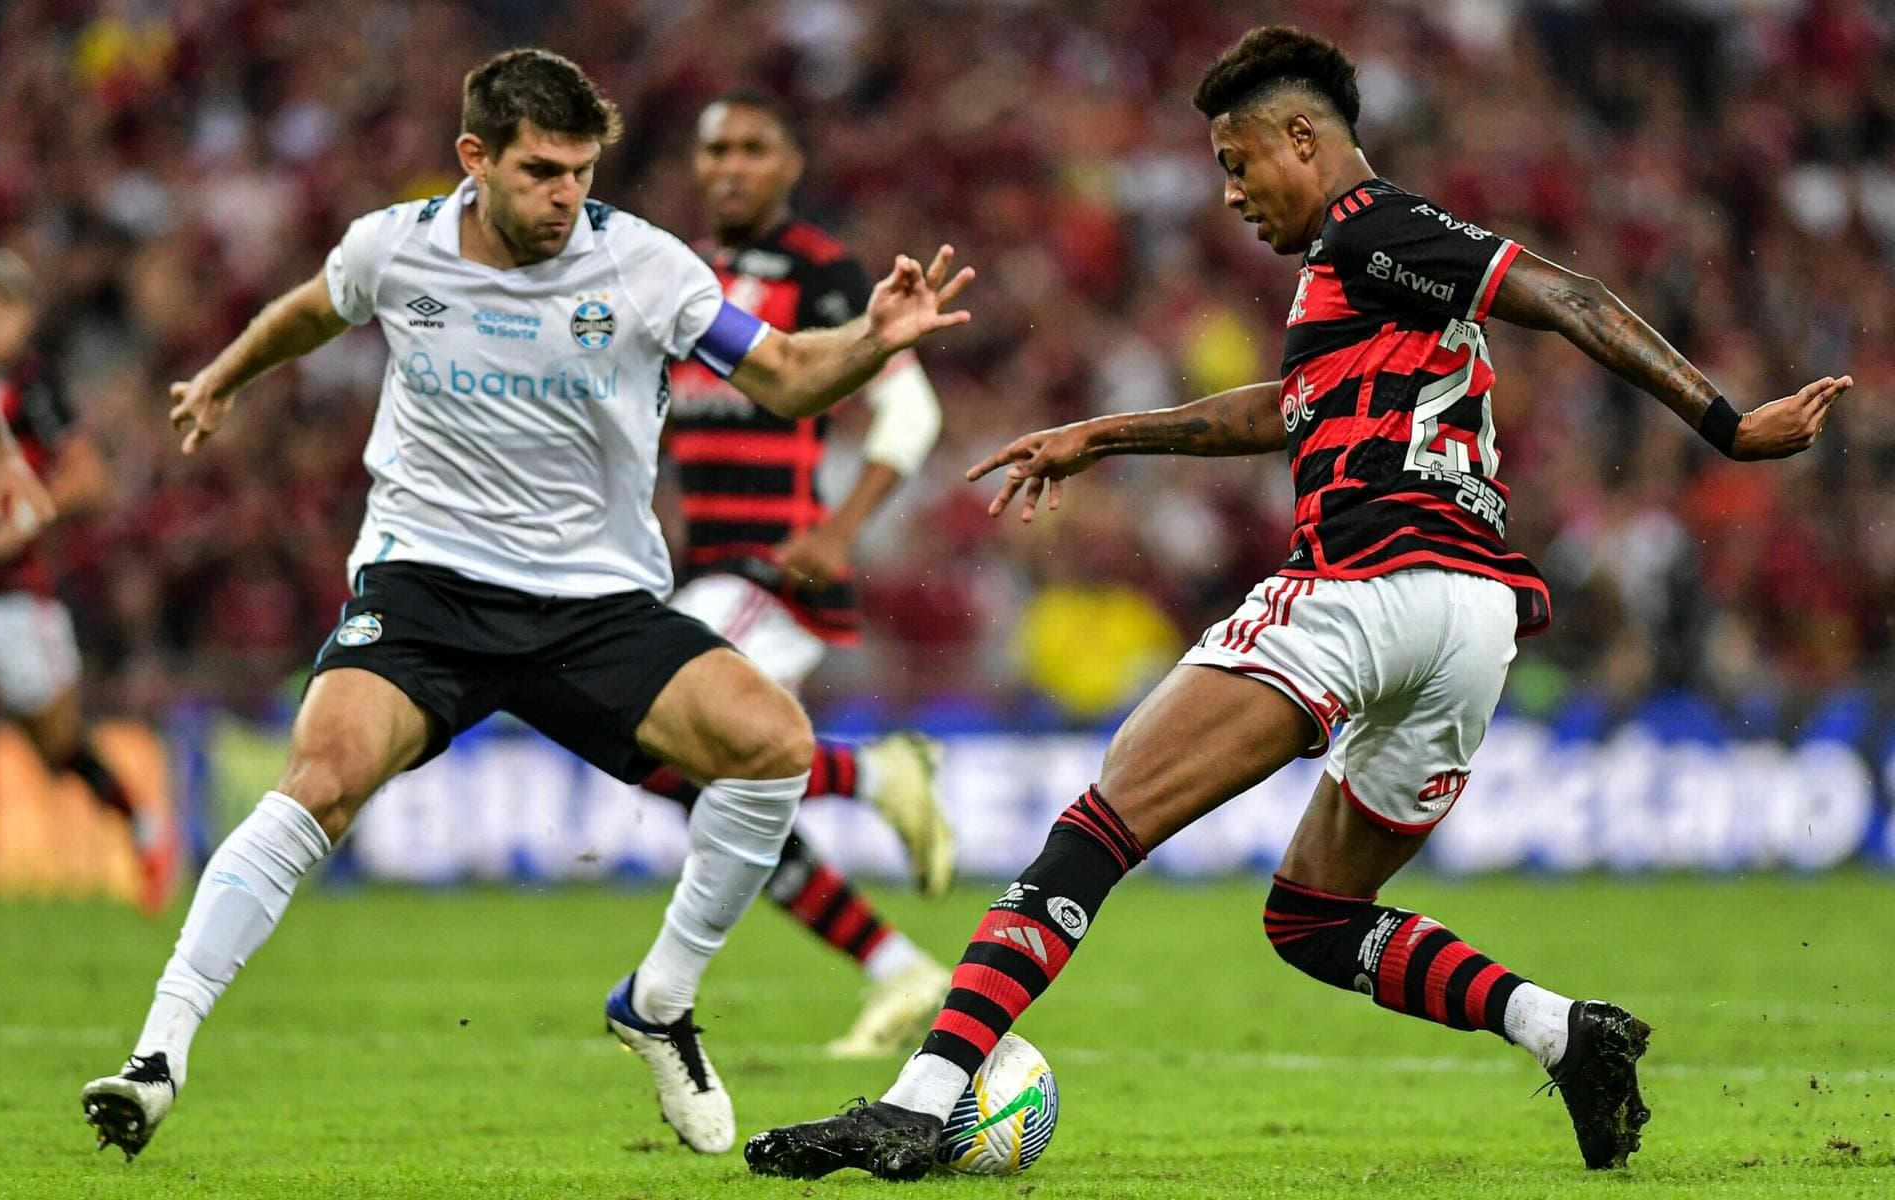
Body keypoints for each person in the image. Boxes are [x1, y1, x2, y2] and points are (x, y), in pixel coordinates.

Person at [745, 25, 1847, 1180]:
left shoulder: (1370, 227)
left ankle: (920, 1104)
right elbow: (1287, 408)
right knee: (1313, 918)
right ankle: (1564, 1032)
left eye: (1236, 160)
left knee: (1096, 829)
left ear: (1303, 138)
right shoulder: (1368, 284)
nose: (1228, 192)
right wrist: (1106, 437)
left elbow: (1567, 294)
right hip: (1472, 623)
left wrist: (1727, 423)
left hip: (1366, 585)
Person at [79, 48, 972, 1162]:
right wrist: (223, 375)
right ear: (475, 159)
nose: (569, 197)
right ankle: (157, 1056)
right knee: (321, 780)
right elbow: (315, 310)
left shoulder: (645, 266)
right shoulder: (395, 248)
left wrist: (869, 344)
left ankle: (656, 1002)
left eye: (583, 172)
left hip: (592, 604)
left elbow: (786, 373)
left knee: (772, 745)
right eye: (545, 171)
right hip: (426, 588)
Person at [640, 89, 952, 1059]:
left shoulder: (820, 274)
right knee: (715, 791)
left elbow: (912, 415)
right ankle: (898, 969)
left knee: (653, 723)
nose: (730, 164)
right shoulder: (684, 280)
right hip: (711, 575)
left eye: (752, 148)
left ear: (788, 166)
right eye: (714, 148)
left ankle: (874, 773)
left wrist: (842, 530)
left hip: (780, 572)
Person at [0, 250, 172, 914]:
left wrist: (30, 515)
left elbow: (91, 479)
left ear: (25, 318)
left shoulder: (34, 391)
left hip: (11, 597)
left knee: (57, 747)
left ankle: (142, 824)